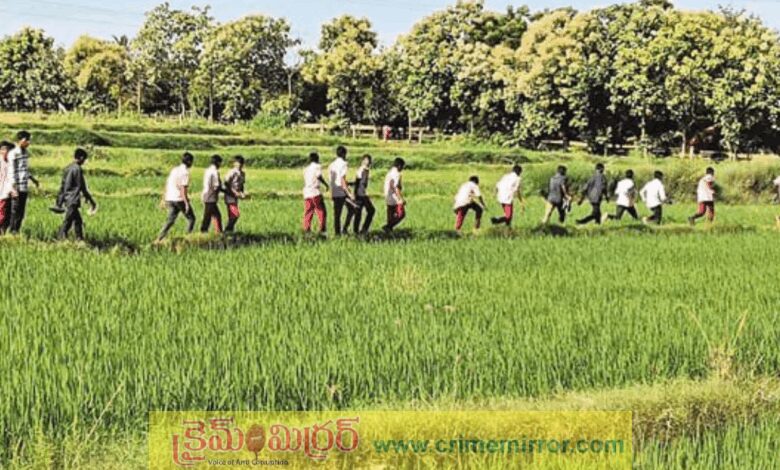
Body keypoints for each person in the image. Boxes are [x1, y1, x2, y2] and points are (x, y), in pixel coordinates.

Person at [55, 148, 97, 241]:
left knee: (78, 221)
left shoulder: (68, 168)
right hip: (73, 198)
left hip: (68, 198)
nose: (84, 161)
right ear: (81, 158)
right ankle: (61, 238)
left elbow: (63, 186)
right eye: (84, 159)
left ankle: (79, 239)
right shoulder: (77, 169)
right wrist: (91, 201)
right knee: (68, 221)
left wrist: (59, 202)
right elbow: (81, 186)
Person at [157, 153, 196, 241]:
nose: (192, 164)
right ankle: (187, 238)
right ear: (189, 161)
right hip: (179, 199)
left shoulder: (174, 170)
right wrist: (186, 203)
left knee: (170, 220)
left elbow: (167, 184)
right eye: (191, 161)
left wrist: (163, 198)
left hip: (170, 198)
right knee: (191, 219)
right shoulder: (185, 172)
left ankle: (160, 238)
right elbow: (183, 189)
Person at [7, 130, 40, 234]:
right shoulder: (13, 153)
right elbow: (12, 172)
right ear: (20, 140)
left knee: (21, 212)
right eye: (26, 140)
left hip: (24, 187)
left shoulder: (25, 153)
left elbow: (24, 170)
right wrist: (13, 188)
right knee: (15, 211)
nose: (28, 142)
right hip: (16, 188)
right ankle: (12, 232)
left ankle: (16, 231)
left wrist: (33, 179)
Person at [328, 145, 355, 235]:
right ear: (344, 154)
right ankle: (345, 228)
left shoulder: (331, 165)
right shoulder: (344, 164)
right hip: (342, 191)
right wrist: (349, 193)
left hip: (335, 191)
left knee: (337, 214)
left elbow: (332, 180)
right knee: (352, 209)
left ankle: (337, 233)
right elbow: (342, 180)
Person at [345, 154, 375, 235]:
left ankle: (359, 230)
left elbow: (357, 182)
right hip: (360, 194)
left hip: (362, 193)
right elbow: (357, 182)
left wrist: (350, 184)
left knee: (361, 212)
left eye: (369, 160)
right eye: (366, 160)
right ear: (363, 161)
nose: (368, 162)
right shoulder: (361, 170)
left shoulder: (366, 170)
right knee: (368, 211)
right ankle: (359, 230)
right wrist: (354, 194)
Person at [302, 152, 329, 234]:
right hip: (315, 192)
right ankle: (322, 229)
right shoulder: (317, 166)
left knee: (308, 211)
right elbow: (319, 176)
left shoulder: (306, 169)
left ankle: (306, 229)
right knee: (321, 211)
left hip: (307, 193)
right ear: (317, 159)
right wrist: (326, 184)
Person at [200, 155, 223, 234]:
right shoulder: (215, 171)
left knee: (216, 215)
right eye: (220, 163)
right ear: (217, 163)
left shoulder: (207, 170)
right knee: (208, 215)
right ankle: (203, 230)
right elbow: (216, 185)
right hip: (211, 195)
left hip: (205, 193)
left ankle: (219, 231)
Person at [223, 155, 246, 233]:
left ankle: (230, 232)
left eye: (241, 163)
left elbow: (242, 185)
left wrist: (242, 193)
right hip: (230, 195)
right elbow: (226, 183)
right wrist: (234, 192)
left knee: (232, 216)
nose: (240, 164)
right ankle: (226, 230)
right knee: (235, 215)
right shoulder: (232, 172)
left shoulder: (242, 174)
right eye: (238, 163)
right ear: (234, 163)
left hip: (236, 196)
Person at [382, 158, 406, 233]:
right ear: (399, 166)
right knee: (401, 214)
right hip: (395, 198)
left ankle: (388, 232)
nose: (402, 169)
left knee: (390, 217)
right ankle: (388, 227)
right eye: (402, 167)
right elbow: (396, 187)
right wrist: (401, 199)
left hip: (388, 197)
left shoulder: (389, 173)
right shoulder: (397, 174)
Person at [0, 141, 15, 234]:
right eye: (4, 150)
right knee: (2, 214)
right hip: (2, 193)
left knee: (8, 215)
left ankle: (3, 233)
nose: (6, 152)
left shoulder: (12, 163)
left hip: (9, 193)